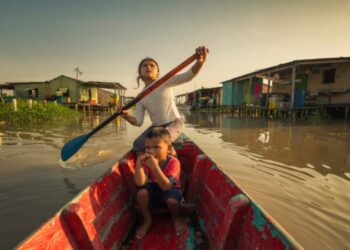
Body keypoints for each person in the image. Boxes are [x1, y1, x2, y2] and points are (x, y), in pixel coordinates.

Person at [121, 46, 208, 155]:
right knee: (137, 144)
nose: (148, 66)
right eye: (145, 65)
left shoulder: (164, 81)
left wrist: (200, 62)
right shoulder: (140, 96)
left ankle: (174, 167)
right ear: (140, 73)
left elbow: (188, 76)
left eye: (152, 65)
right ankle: (145, 166)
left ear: (157, 72)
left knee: (161, 141)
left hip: (174, 122)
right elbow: (138, 122)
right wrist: (126, 116)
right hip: (156, 127)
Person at [134, 127, 184, 239]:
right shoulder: (146, 161)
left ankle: (176, 217)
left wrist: (155, 167)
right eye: (148, 148)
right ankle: (147, 219)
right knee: (141, 193)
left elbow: (166, 186)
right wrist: (139, 164)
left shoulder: (174, 162)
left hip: (170, 190)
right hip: (153, 192)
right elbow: (140, 183)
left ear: (169, 148)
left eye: (156, 147)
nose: (151, 151)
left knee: (172, 201)